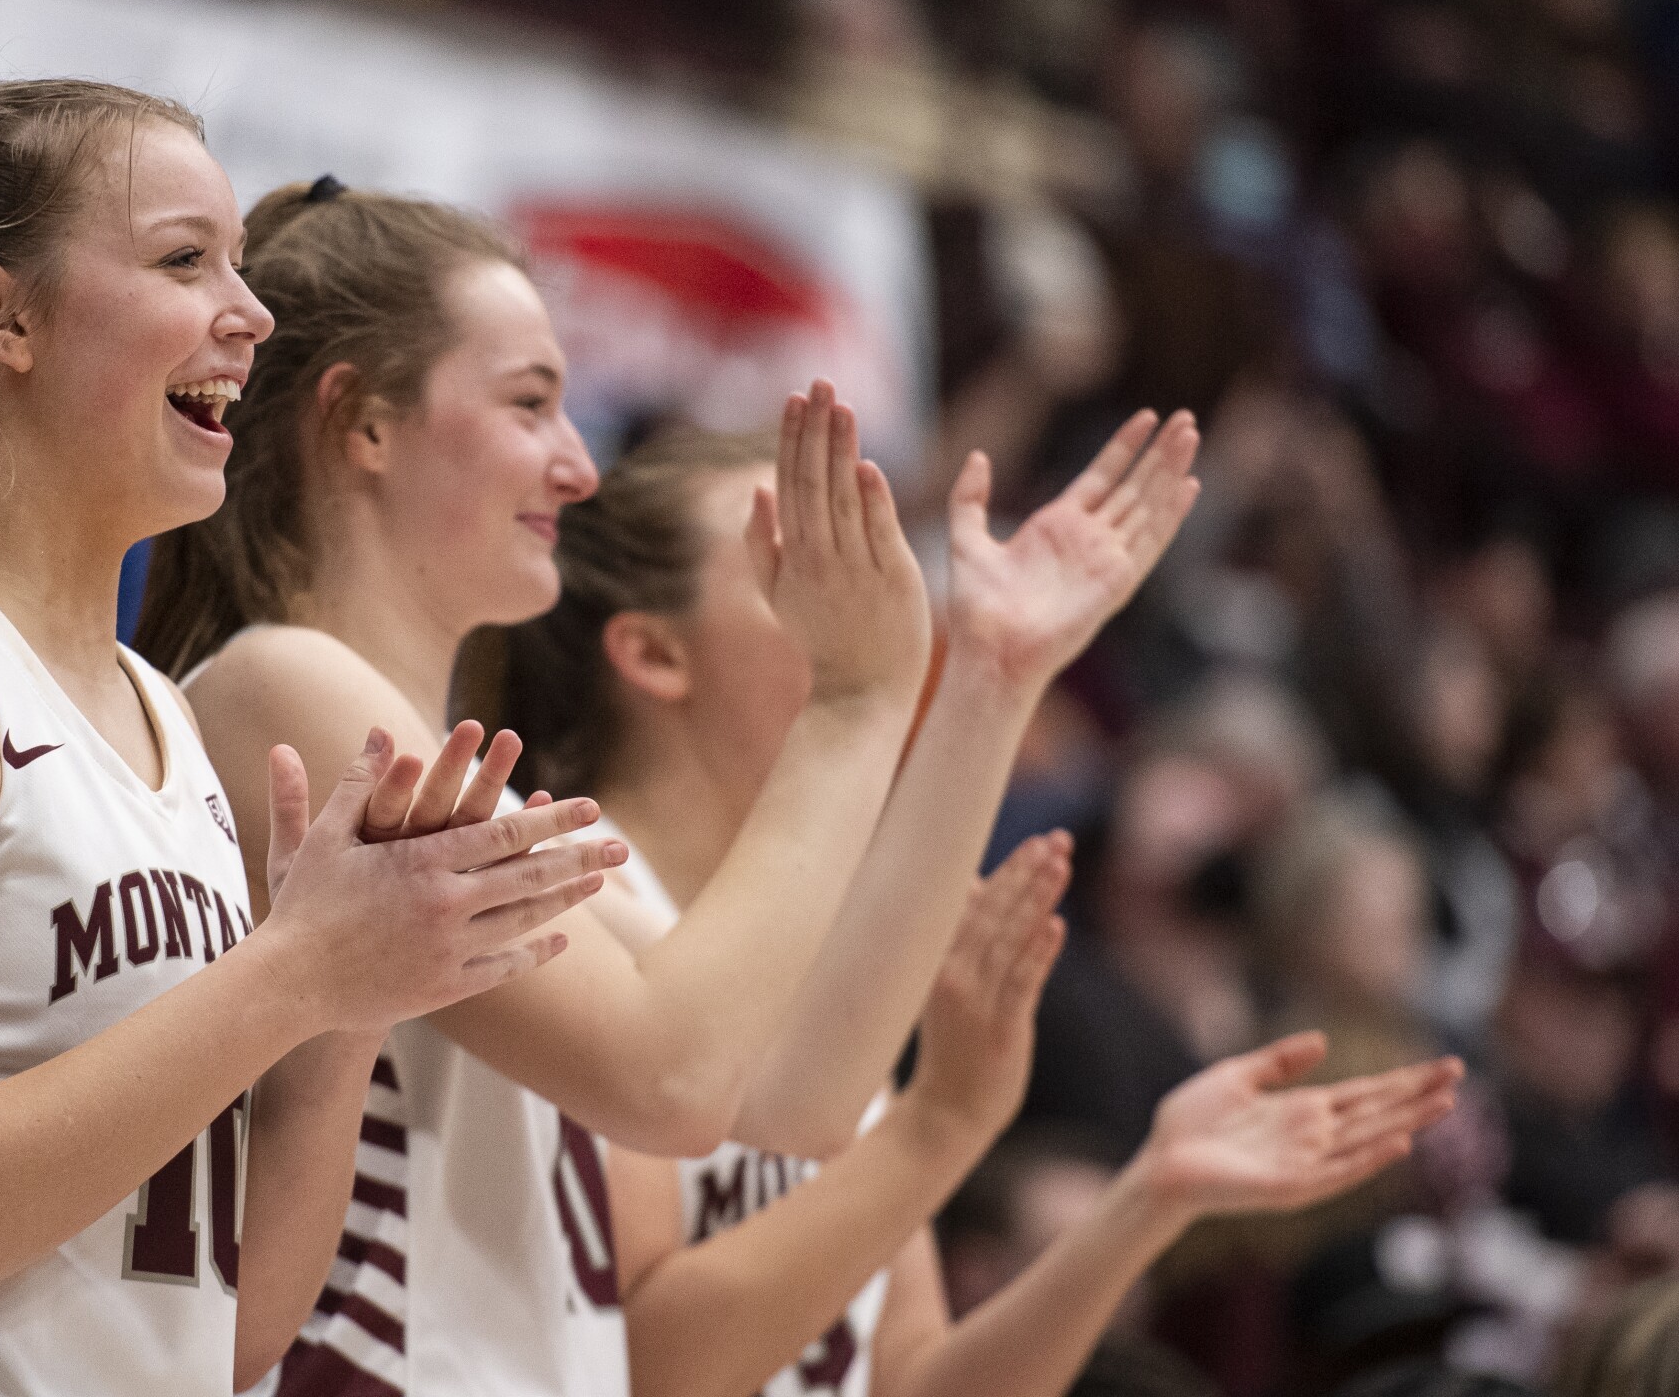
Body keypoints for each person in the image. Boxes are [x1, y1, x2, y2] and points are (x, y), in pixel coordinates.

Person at [135, 179, 1202, 1393]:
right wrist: (855, 698)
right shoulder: (289, 684)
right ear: (364, 423)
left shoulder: (425, 756)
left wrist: (990, 678)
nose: (578, 464)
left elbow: (794, 1090)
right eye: (531, 403)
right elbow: (674, 1077)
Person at [0, 82, 619, 1396]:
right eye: (186, 260)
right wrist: (294, 974)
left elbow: (235, 1333)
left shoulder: (157, 708)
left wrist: (352, 1006)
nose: (248, 316)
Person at [489, 429, 1464, 1397]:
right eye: (801, 562)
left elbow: (912, 1385)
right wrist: (938, 1125)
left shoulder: (826, 982)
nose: (873, 592)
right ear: (655, 652)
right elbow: (649, 1369)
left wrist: (1151, 1198)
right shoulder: (566, 898)